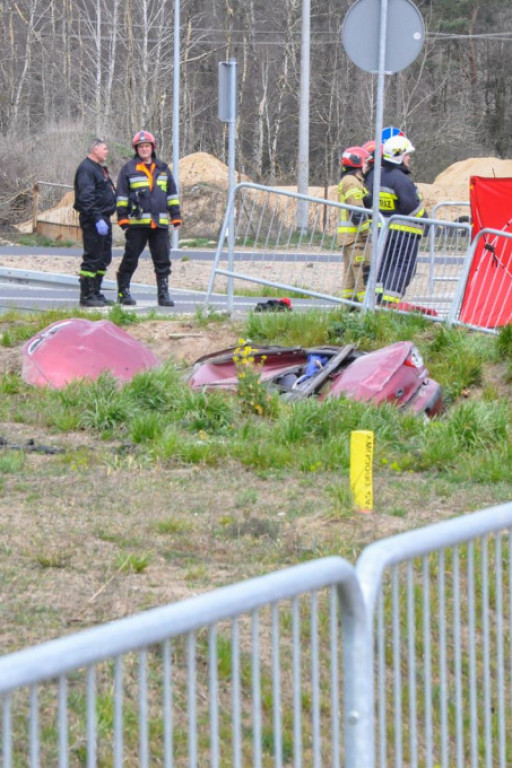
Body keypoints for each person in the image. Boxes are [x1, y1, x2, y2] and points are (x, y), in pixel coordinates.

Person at [115, 130, 182, 307]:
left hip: (159, 223)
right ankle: (123, 291)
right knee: (130, 259)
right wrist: (122, 218)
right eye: (140, 147)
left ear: (152, 148)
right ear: (136, 149)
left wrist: (175, 216)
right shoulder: (128, 169)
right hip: (137, 224)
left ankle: (163, 293)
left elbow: (172, 194)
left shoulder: (163, 168)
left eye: (146, 146)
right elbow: (121, 195)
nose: (144, 149)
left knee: (163, 260)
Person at [364, 134, 426, 305]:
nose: (409, 158)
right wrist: (426, 222)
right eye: (407, 155)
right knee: (402, 268)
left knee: (383, 266)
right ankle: (389, 305)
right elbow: (411, 207)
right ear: (398, 156)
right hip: (404, 235)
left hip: (382, 232)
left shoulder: (376, 177)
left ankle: (376, 302)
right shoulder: (401, 180)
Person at [73, 138, 116, 307]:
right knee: (92, 257)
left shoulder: (99, 169)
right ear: (95, 149)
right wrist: (97, 218)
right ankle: (86, 295)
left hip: (104, 218)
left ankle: (96, 292)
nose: (107, 152)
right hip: (93, 219)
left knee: (104, 257)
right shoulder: (86, 169)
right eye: (104, 148)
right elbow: (86, 197)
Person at [337, 146, 371, 303]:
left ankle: (349, 308)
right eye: (366, 162)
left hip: (349, 238)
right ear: (357, 162)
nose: (367, 166)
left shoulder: (351, 181)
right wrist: (368, 233)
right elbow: (357, 212)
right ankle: (365, 310)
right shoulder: (351, 182)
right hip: (355, 238)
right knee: (361, 276)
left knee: (350, 278)